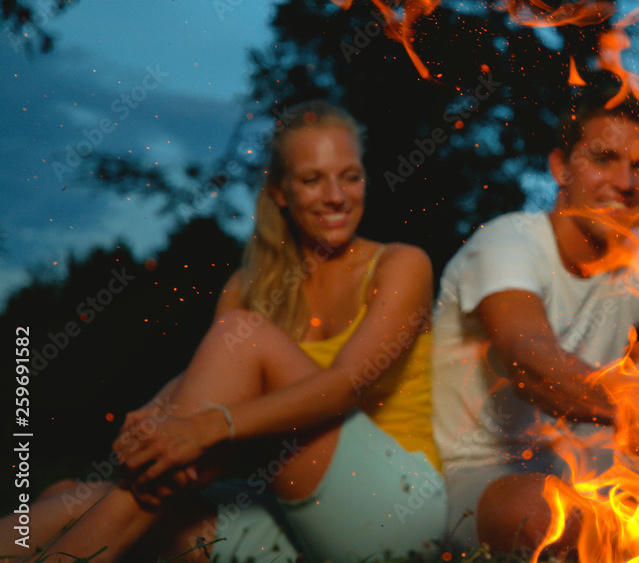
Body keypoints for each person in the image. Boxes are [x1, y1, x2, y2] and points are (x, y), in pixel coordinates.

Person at [1, 100, 446, 563]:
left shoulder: (400, 264)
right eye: (312, 179)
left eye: (350, 176)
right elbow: (211, 383)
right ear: (279, 191)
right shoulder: (247, 287)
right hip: (293, 519)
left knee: (242, 338)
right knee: (69, 496)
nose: (336, 196)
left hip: (393, 507)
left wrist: (206, 428)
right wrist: (156, 414)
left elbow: (343, 387)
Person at [431, 89, 639, 553]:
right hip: (489, 476)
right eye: (605, 158)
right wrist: (636, 413)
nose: (625, 183)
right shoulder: (508, 241)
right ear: (561, 168)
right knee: (545, 516)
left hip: (596, 467)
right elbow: (530, 362)